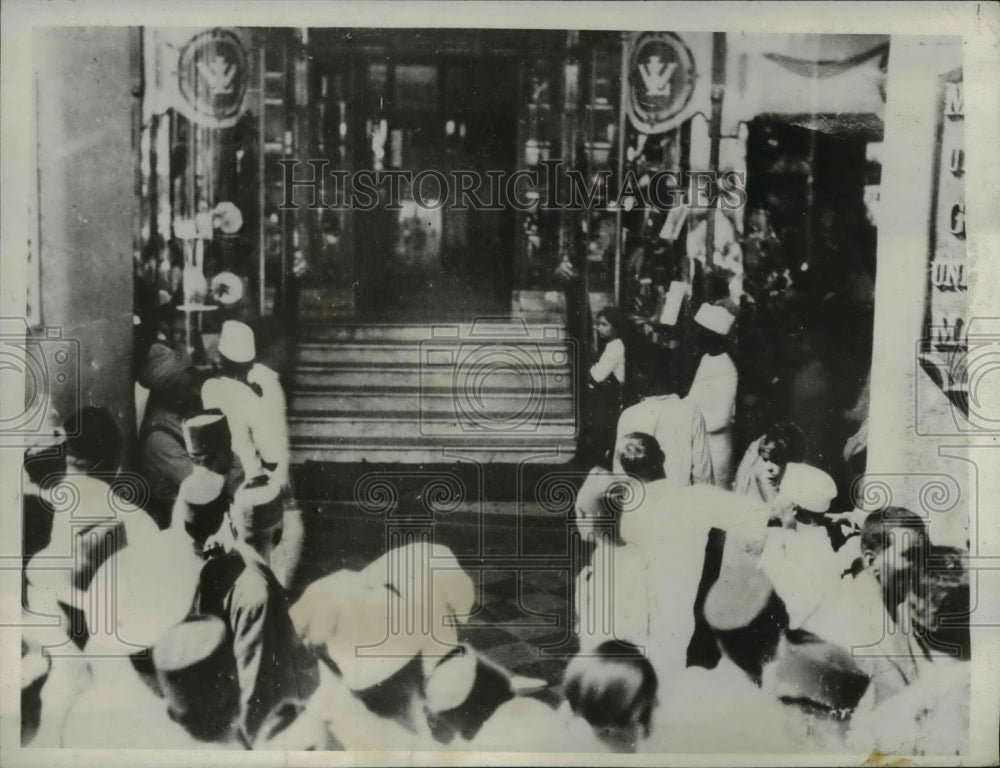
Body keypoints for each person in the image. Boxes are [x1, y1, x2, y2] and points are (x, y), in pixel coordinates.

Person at [194, 473, 319, 745]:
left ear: (235, 527)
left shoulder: (214, 567)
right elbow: (254, 692)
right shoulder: (259, 595)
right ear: (279, 533)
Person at [24, 407, 160, 648]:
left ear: (66, 453)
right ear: (116, 461)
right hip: (118, 638)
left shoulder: (32, 505)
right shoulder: (138, 521)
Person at [202, 320, 302, 588]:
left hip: (223, 483)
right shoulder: (256, 395)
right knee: (266, 563)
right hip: (251, 486)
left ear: (221, 358)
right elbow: (271, 457)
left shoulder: (211, 389)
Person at [799, 506, 930, 706]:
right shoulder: (831, 625)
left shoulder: (906, 608)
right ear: (871, 561)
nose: (922, 567)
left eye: (925, 556)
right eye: (910, 556)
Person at [136, 290, 208, 529]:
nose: (192, 391)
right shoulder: (159, 440)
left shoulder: (179, 414)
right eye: (185, 387)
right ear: (168, 390)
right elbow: (202, 486)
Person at [758, 463, 845, 629]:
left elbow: (767, 579)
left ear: (794, 509)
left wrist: (777, 536)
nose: (776, 506)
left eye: (781, 501)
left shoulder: (789, 546)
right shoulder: (821, 540)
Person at [612, 378, 713, 487]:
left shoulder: (628, 415)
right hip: (680, 498)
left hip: (642, 500)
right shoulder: (691, 411)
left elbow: (619, 475)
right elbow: (703, 475)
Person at [686, 303, 738, 488]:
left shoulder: (726, 368)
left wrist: (691, 420)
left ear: (711, 335)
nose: (695, 336)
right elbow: (693, 398)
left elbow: (720, 419)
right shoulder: (707, 359)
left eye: (699, 332)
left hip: (716, 449)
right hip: (701, 444)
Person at [578, 306, 631, 469]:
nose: (598, 327)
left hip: (613, 399)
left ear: (616, 327)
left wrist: (591, 369)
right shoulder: (612, 345)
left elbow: (596, 375)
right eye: (597, 323)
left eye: (604, 324)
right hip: (610, 396)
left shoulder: (615, 346)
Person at [732, 422, 806, 504]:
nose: (763, 455)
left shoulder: (783, 459)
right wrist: (737, 496)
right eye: (762, 452)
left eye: (767, 454)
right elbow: (743, 470)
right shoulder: (760, 443)